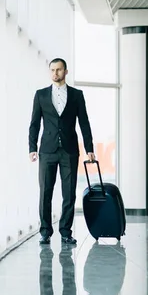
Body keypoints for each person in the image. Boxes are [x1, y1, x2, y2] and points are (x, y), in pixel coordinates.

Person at [28, 58, 95, 245]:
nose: (55, 73)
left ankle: (66, 231)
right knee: (45, 193)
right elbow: (34, 124)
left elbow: (84, 122)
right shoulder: (40, 95)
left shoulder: (76, 95)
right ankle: (45, 231)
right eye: (52, 70)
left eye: (58, 70)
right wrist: (32, 148)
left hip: (69, 151)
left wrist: (89, 148)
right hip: (47, 151)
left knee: (69, 193)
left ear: (66, 71)